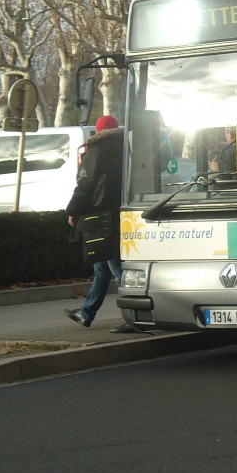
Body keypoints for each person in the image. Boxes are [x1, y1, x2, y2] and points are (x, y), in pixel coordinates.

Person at [64, 115, 138, 334]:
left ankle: (135, 316)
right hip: (123, 212)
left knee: (116, 268)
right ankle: (86, 312)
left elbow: (86, 186)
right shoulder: (129, 148)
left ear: (97, 132)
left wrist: (72, 211)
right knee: (102, 267)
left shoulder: (96, 151)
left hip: (101, 217)